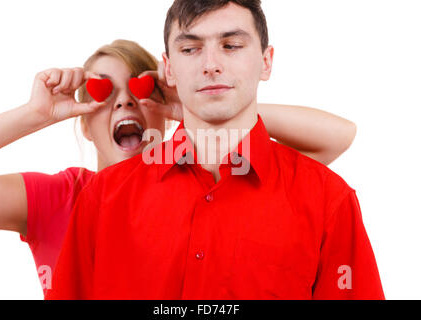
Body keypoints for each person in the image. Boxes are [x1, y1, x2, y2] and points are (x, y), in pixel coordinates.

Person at [45, 0, 384, 300]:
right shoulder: (101, 199)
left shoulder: (328, 200)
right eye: (190, 49)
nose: (211, 65)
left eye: (232, 45)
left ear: (266, 62)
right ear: (169, 69)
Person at [0, 36, 356, 297]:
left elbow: (337, 136)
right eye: (103, 93)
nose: (124, 103)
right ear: (86, 126)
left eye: (140, 90)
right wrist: (35, 114)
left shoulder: (213, 184)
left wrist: (193, 104)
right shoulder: (63, 197)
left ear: (162, 112)